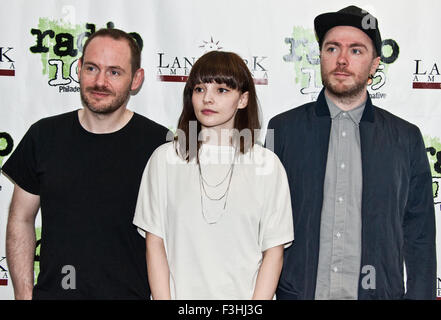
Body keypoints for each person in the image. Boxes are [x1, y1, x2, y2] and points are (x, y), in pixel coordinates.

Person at [267, 6, 436, 299]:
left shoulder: (405, 138)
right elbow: (262, 222)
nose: (342, 60)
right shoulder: (282, 130)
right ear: (320, 57)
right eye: (332, 48)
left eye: (356, 51)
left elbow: (420, 234)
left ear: (374, 65)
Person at [2, 28, 169, 299]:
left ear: (136, 79)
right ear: (78, 69)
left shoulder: (160, 145)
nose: (100, 81)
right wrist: (23, 293)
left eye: (114, 72)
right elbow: (21, 219)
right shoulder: (43, 135)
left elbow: (175, 235)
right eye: (92, 68)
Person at [133, 51, 294, 299]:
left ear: (243, 99)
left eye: (221, 90)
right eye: (199, 89)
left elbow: (273, 251)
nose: (207, 98)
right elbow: (155, 243)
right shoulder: (165, 160)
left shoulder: (267, 165)